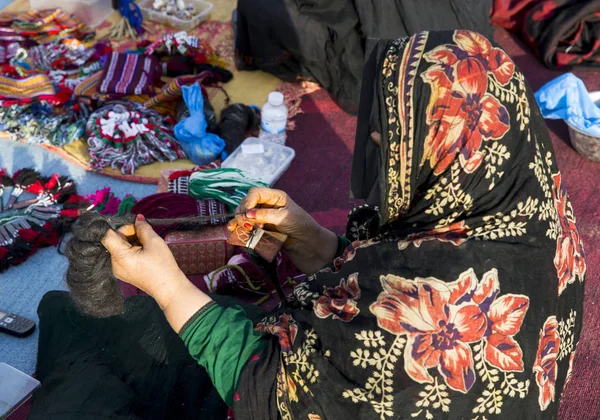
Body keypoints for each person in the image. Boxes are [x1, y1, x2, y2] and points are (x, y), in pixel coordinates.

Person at [40, 30, 585, 419]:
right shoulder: (530, 219)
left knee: (88, 353)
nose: (375, 143)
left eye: (394, 142)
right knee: (217, 313)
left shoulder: (424, 332)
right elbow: (387, 283)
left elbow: (270, 397)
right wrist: (310, 237)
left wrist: (165, 286)